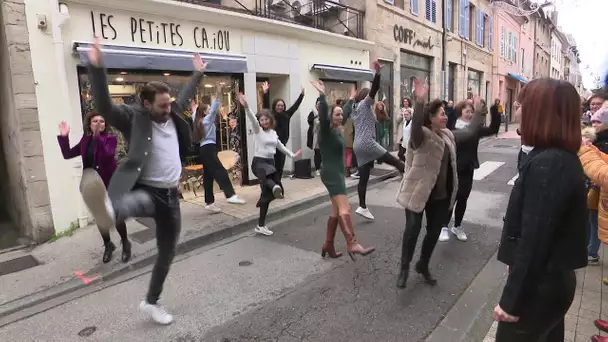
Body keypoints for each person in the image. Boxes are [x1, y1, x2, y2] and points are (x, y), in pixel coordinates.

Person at [85, 38, 205, 324]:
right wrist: (97, 67)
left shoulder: (173, 111)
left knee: (167, 252)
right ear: (147, 103)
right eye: (161, 106)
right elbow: (104, 105)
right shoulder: (133, 117)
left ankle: (151, 302)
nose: (167, 110)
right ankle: (110, 211)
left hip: (172, 197)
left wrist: (198, 73)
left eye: (169, 105)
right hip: (149, 190)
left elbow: (186, 95)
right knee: (137, 202)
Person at [493, 78, 587, 341]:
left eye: (522, 104)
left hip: (538, 290)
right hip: (550, 284)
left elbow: (533, 240)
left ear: (539, 112)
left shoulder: (550, 164)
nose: (516, 108)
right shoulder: (556, 157)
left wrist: (512, 302)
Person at [395, 79, 484, 289]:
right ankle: (404, 267)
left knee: (434, 232)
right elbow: (416, 125)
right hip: (417, 191)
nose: (446, 116)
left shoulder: (448, 136)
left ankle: (423, 265)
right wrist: (418, 101)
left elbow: (471, 132)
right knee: (413, 228)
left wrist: (479, 111)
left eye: (445, 113)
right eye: (442, 113)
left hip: (440, 195)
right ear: (431, 118)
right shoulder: (420, 136)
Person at [310, 80, 375, 260]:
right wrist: (322, 96)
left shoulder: (337, 128)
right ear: (330, 117)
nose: (340, 117)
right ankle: (352, 242)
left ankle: (328, 245)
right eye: (336, 115)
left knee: (336, 211)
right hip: (331, 174)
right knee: (344, 208)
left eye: (340, 115)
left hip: (335, 172)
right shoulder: (325, 129)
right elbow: (323, 116)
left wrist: (351, 100)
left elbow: (345, 112)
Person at [57, 112, 131, 264]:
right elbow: (67, 154)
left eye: (102, 121)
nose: (99, 123)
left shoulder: (110, 139)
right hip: (92, 184)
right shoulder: (85, 141)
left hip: (110, 182)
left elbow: (107, 155)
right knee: (100, 216)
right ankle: (108, 245)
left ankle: (125, 243)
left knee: (116, 215)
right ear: (89, 124)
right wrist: (64, 137)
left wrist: (98, 137)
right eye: (95, 121)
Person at [342, 60, 405, 221]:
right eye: (371, 96)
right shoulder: (364, 104)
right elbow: (375, 88)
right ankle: (412, 180)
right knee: (394, 161)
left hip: (358, 145)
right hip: (366, 143)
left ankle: (362, 206)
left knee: (364, 177)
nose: (373, 97)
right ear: (366, 97)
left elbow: (347, 113)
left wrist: (350, 99)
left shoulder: (354, 109)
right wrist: (377, 73)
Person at [438, 98, 501, 242]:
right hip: (452, 168)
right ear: (460, 112)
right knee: (450, 198)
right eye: (467, 111)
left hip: (468, 168)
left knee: (463, 198)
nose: (470, 114)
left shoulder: (475, 129)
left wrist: (495, 110)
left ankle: (458, 226)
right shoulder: (451, 126)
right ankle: (444, 226)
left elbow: (493, 129)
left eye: (472, 112)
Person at [238, 92, 301, 236]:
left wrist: (292, 155)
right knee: (273, 184)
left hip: (270, 163)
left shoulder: (273, 133)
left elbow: (280, 146)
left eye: (266, 119)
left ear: (270, 120)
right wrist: (246, 107)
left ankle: (261, 224)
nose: (264, 122)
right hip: (259, 163)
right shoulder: (257, 130)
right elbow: (252, 119)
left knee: (271, 195)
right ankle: (272, 187)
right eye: (262, 120)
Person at [192, 91, 246, 214]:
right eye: (208, 109)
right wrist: (217, 97)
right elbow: (213, 110)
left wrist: (194, 106)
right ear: (205, 112)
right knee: (219, 170)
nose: (210, 110)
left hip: (204, 149)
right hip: (209, 148)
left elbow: (195, 113)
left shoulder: (198, 120)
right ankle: (230, 195)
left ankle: (209, 202)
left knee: (208, 176)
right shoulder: (206, 120)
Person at [261, 81, 305, 190]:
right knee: (272, 168)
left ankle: (277, 184)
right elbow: (265, 106)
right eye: (278, 105)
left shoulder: (287, 114)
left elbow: (295, 106)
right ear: (274, 106)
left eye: (282, 105)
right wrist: (265, 93)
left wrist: (302, 95)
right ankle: (274, 186)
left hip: (282, 146)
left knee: (279, 168)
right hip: (271, 146)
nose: (280, 107)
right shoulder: (271, 115)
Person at [307, 98, 322, 176]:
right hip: (316, 135)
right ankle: (317, 168)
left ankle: (323, 168)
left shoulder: (325, 113)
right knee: (317, 153)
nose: (319, 106)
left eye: (320, 104)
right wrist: (316, 117)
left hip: (324, 136)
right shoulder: (312, 113)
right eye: (318, 104)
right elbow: (309, 121)